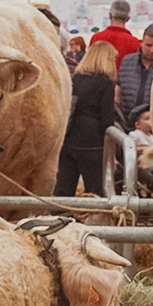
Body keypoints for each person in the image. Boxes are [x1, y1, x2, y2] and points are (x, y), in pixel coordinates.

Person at [56, 41, 120, 197]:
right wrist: (112, 152)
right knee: (95, 192)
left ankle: (59, 218)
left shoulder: (75, 79)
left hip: (69, 138)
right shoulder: (105, 83)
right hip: (92, 142)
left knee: (63, 190)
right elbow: (107, 120)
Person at [116, 23, 153, 124]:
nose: (152, 50)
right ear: (141, 43)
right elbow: (118, 90)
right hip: (126, 121)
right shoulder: (127, 61)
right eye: (148, 45)